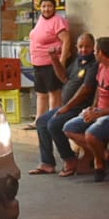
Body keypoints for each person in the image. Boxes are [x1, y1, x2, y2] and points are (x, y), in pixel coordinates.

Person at [63, 36, 109, 182]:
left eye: (95, 51)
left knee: (91, 135)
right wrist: (94, 107)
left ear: (102, 53)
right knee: (69, 128)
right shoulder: (102, 67)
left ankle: (99, 163)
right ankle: (103, 153)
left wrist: (99, 114)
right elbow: (99, 89)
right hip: (101, 111)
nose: (94, 54)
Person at [29, 32, 98, 177]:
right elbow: (64, 77)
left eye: (87, 47)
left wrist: (67, 107)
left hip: (79, 108)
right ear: (76, 47)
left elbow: (85, 90)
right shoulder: (77, 62)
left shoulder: (94, 65)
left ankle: (69, 159)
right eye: (80, 47)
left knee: (54, 124)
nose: (83, 50)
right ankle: (47, 163)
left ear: (93, 47)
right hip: (67, 106)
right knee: (42, 122)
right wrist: (54, 59)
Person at [27, 0, 71, 127]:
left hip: (51, 63)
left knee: (54, 93)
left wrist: (61, 62)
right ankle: (39, 121)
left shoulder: (58, 21)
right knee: (41, 93)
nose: (46, 9)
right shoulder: (40, 20)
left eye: (49, 6)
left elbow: (66, 41)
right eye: (44, 6)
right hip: (38, 64)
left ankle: (53, 121)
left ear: (54, 7)